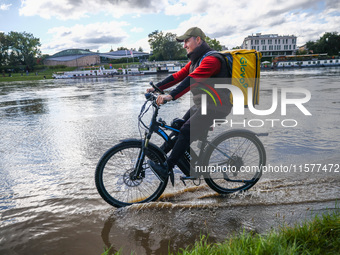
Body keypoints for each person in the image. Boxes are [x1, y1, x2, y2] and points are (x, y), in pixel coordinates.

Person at [147, 27, 232, 184]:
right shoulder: (196, 60)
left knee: (186, 130)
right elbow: (178, 76)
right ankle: (160, 155)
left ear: (198, 40)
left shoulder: (211, 60)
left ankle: (166, 167)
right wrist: (156, 88)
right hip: (204, 104)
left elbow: (192, 80)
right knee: (179, 126)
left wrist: (170, 96)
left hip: (217, 107)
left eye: (187, 41)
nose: (184, 45)